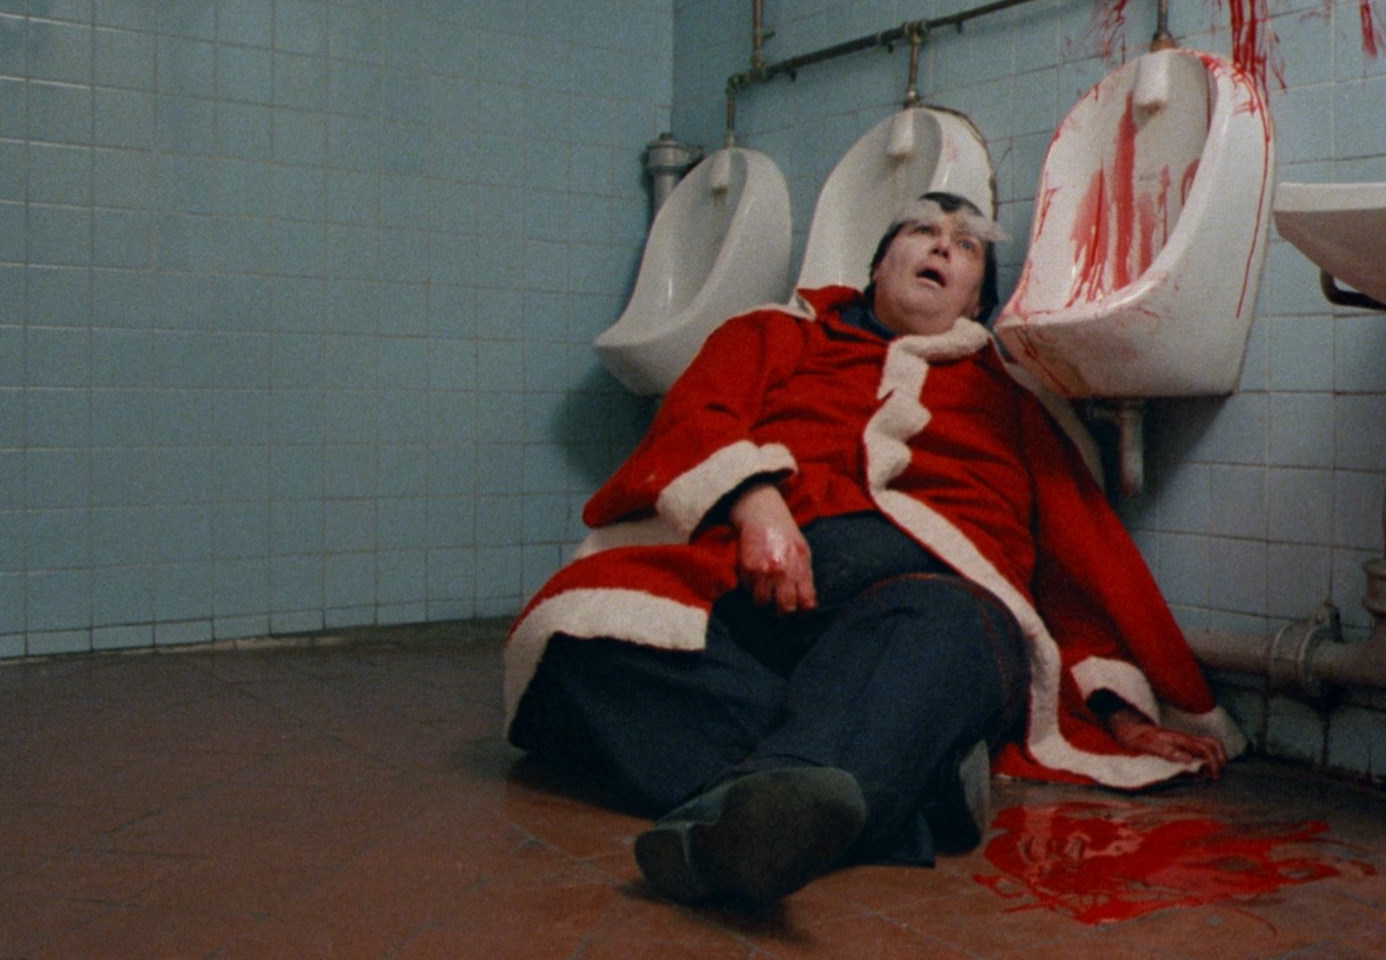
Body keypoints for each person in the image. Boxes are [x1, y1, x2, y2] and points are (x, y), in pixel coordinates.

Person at [502, 192, 1245, 906]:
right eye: (922, 232)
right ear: (878, 266)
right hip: (756, 590)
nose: (942, 247)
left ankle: (764, 811)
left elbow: (1079, 562)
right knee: (573, 647)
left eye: (965, 248)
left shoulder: (1015, 394)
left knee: (936, 630)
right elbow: (698, 415)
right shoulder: (775, 332)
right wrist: (757, 502)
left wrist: (1120, 712)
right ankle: (907, 787)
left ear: (975, 304)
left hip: (931, 613)